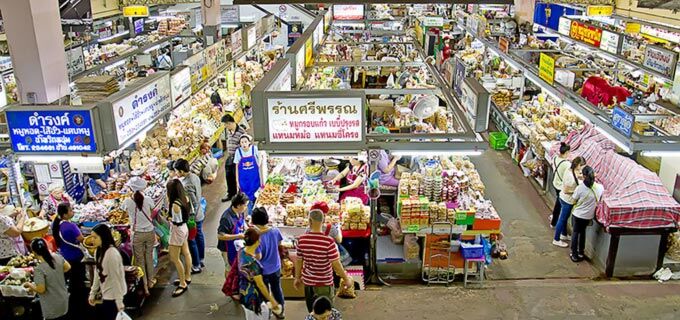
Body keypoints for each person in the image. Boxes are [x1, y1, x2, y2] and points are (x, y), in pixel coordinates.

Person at [294, 210, 354, 313]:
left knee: (313, 312)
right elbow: (336, 264)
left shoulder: (302, 240)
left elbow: (299, 261)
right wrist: (345, 278)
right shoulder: (328, 241)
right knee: (326, 313)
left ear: (309, 221)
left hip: (308, 283)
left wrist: (297, 278)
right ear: (324, 221)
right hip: (324, 283)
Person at [121, 177, 157, 296]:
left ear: (131, 188)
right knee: (149, 257)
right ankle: (151, 281)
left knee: (140, 261)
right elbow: (153, 210)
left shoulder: (127, 201)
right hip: (150, 232)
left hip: (137, 234)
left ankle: (145, 286)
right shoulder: (148, 199)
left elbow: (123, 210)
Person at [51, 202, 87, 316]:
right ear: (65, 214)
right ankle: (80, 305)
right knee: (78, 281)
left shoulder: (55, 225)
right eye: (71, 210)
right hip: (76, 257)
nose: (73, 212)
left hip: (65, 256)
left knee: (71, 279)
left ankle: (72, 303)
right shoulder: (71, 226)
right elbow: (82, 240)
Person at [239, 227, 282, 320]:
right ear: (257, 242)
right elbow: (261, 285)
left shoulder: (241, 251)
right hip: (254, 297)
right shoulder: (254, 264)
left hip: (244, 291)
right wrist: (272, 301)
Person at [24, 238, 71, 320]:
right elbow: (68, 267)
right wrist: (56, 273)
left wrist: (29, 285)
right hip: (63, 299)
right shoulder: (57, 256)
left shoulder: (39, 269)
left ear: (34, 252)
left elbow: (41, 290)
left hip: (52, 304)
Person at [251, 207, 285, 318]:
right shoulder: (275, 230)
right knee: (277, 290)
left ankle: (267, 313)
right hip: (275, 267)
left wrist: (250, 255)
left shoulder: (256, 237)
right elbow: (279, 243)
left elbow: (259, 256)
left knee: (265, 293)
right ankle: (280, 312)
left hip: (263, 271)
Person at [88, 224, 126, 320]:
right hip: (106, 294)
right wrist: (92, 293)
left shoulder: (111, 254)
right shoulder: (99, 251)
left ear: (103, 237)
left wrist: (119, 301)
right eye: (91, 237)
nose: (92, 240)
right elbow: (98, 272)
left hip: (114, 296)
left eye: (95, 237)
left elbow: (115, 279)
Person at [175, 159, 205, 273]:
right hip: (199, 214)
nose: (176, 173)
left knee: (192, 240)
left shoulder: (187, 184)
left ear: (182, 171)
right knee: (199, 236)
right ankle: (201, 259)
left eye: (177, 171)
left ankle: (196, 264)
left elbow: (193, 202)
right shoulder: (195, 176)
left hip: (193, 216)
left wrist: (190, 216)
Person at [570, 166, 604, 262]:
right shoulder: (599, 188)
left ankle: (574, 254)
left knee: (575, 233)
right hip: (588, 216)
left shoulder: (580, 188)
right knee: (583, 233)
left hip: (578, 215)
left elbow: (573, 200)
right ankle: (581, 252)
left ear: (584, 176)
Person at [166, 179, 193, 297]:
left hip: (178, 231)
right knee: (186, 253)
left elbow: (176, 220)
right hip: (185, 228)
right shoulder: (185, 198)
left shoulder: (175, 205)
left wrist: (169, 218)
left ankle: (182, 283)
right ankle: (187, 276)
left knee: (174, 258)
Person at [553, 156, 586, 248]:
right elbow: (567, 190)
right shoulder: (570, 177)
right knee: (562, 219)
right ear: (578, 165)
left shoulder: (570, 169)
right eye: (582, 166)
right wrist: (577, 191)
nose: (582, 168)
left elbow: (576, 176)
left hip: (563, 198)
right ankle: (556, 239)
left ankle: (564, 234)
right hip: (567, 200)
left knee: (564, 218)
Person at [217, 193, 248, 277]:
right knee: (229, 268)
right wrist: (238, 236)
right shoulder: (226, 218)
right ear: (238, 205)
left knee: (236, 266)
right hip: (227, 248)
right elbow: (220, 235)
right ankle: (228, 286)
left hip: (236, 245)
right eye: (245, 205)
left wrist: (246, 228)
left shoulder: (239, 211)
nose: (246, 207)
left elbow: (242, 221)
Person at [234, 135, 263, 215]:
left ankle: (256, 213)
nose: (244, 144)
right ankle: (251, 215)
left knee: (256, 196)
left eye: (245, 142)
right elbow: (236, 166)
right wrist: (237, 181)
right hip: (244, 180)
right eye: (242, 142)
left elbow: (260, 162)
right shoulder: (238, 152)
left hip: (254, 179)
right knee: (247, 199)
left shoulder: (254, 149)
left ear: (249, 142)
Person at [222, 114, 247, 202]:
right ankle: (231, 194)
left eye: (225, 124)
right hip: (230, 157)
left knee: (238, 177)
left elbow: (245, 145)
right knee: (229, 176)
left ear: (229, 123)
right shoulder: (229, 131)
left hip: (238, 159)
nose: (225, 126)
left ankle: (240, 196)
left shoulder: (241, 132)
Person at [549, 143, 571, 228]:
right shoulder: (567, 164)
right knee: (559, 206)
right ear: (566, 152)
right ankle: (555, 223)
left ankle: (554, 219)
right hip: (560, 186)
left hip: (555, 182)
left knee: (558, 203)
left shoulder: (555, 158)